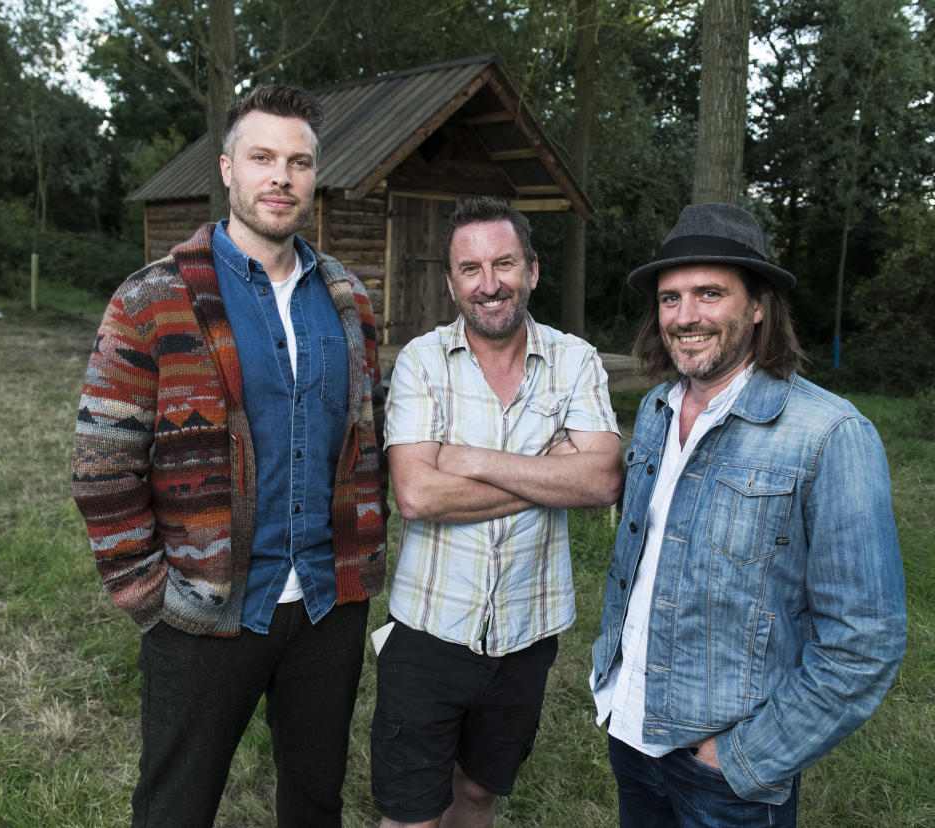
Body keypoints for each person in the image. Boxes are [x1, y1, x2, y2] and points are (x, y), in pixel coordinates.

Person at [71, 84, 387, 828]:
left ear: (316, 176)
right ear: (227, 169)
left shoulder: (348, 299)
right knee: (176, 807)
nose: (281, 176)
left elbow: (364, 444)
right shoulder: (153, 298)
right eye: (263, 157)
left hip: (327, 602)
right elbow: (101, 468)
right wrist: (151, 595)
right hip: (205, 607)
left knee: (315, 801)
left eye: (299, 161)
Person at [590, 202, 907, 827]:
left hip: (726, 776)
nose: (686, 317)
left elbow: (866, 643)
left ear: (758, 305)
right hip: (631, 734)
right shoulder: (656, 408)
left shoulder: (830, 434)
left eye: (710, 294)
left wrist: (743, 758)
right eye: (670, 298)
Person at [373, 196, 624, 827]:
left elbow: (602, 481)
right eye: (471, 269)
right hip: (430, 630)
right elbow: (418, 496)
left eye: (503, 263)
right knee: (411, 815)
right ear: (451, 281)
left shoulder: (575, 360)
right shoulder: (422, 362)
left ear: (532, 270)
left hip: (527, 632)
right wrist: (549, 473)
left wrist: (467, 458)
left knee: (479, 794)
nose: (490, 284)